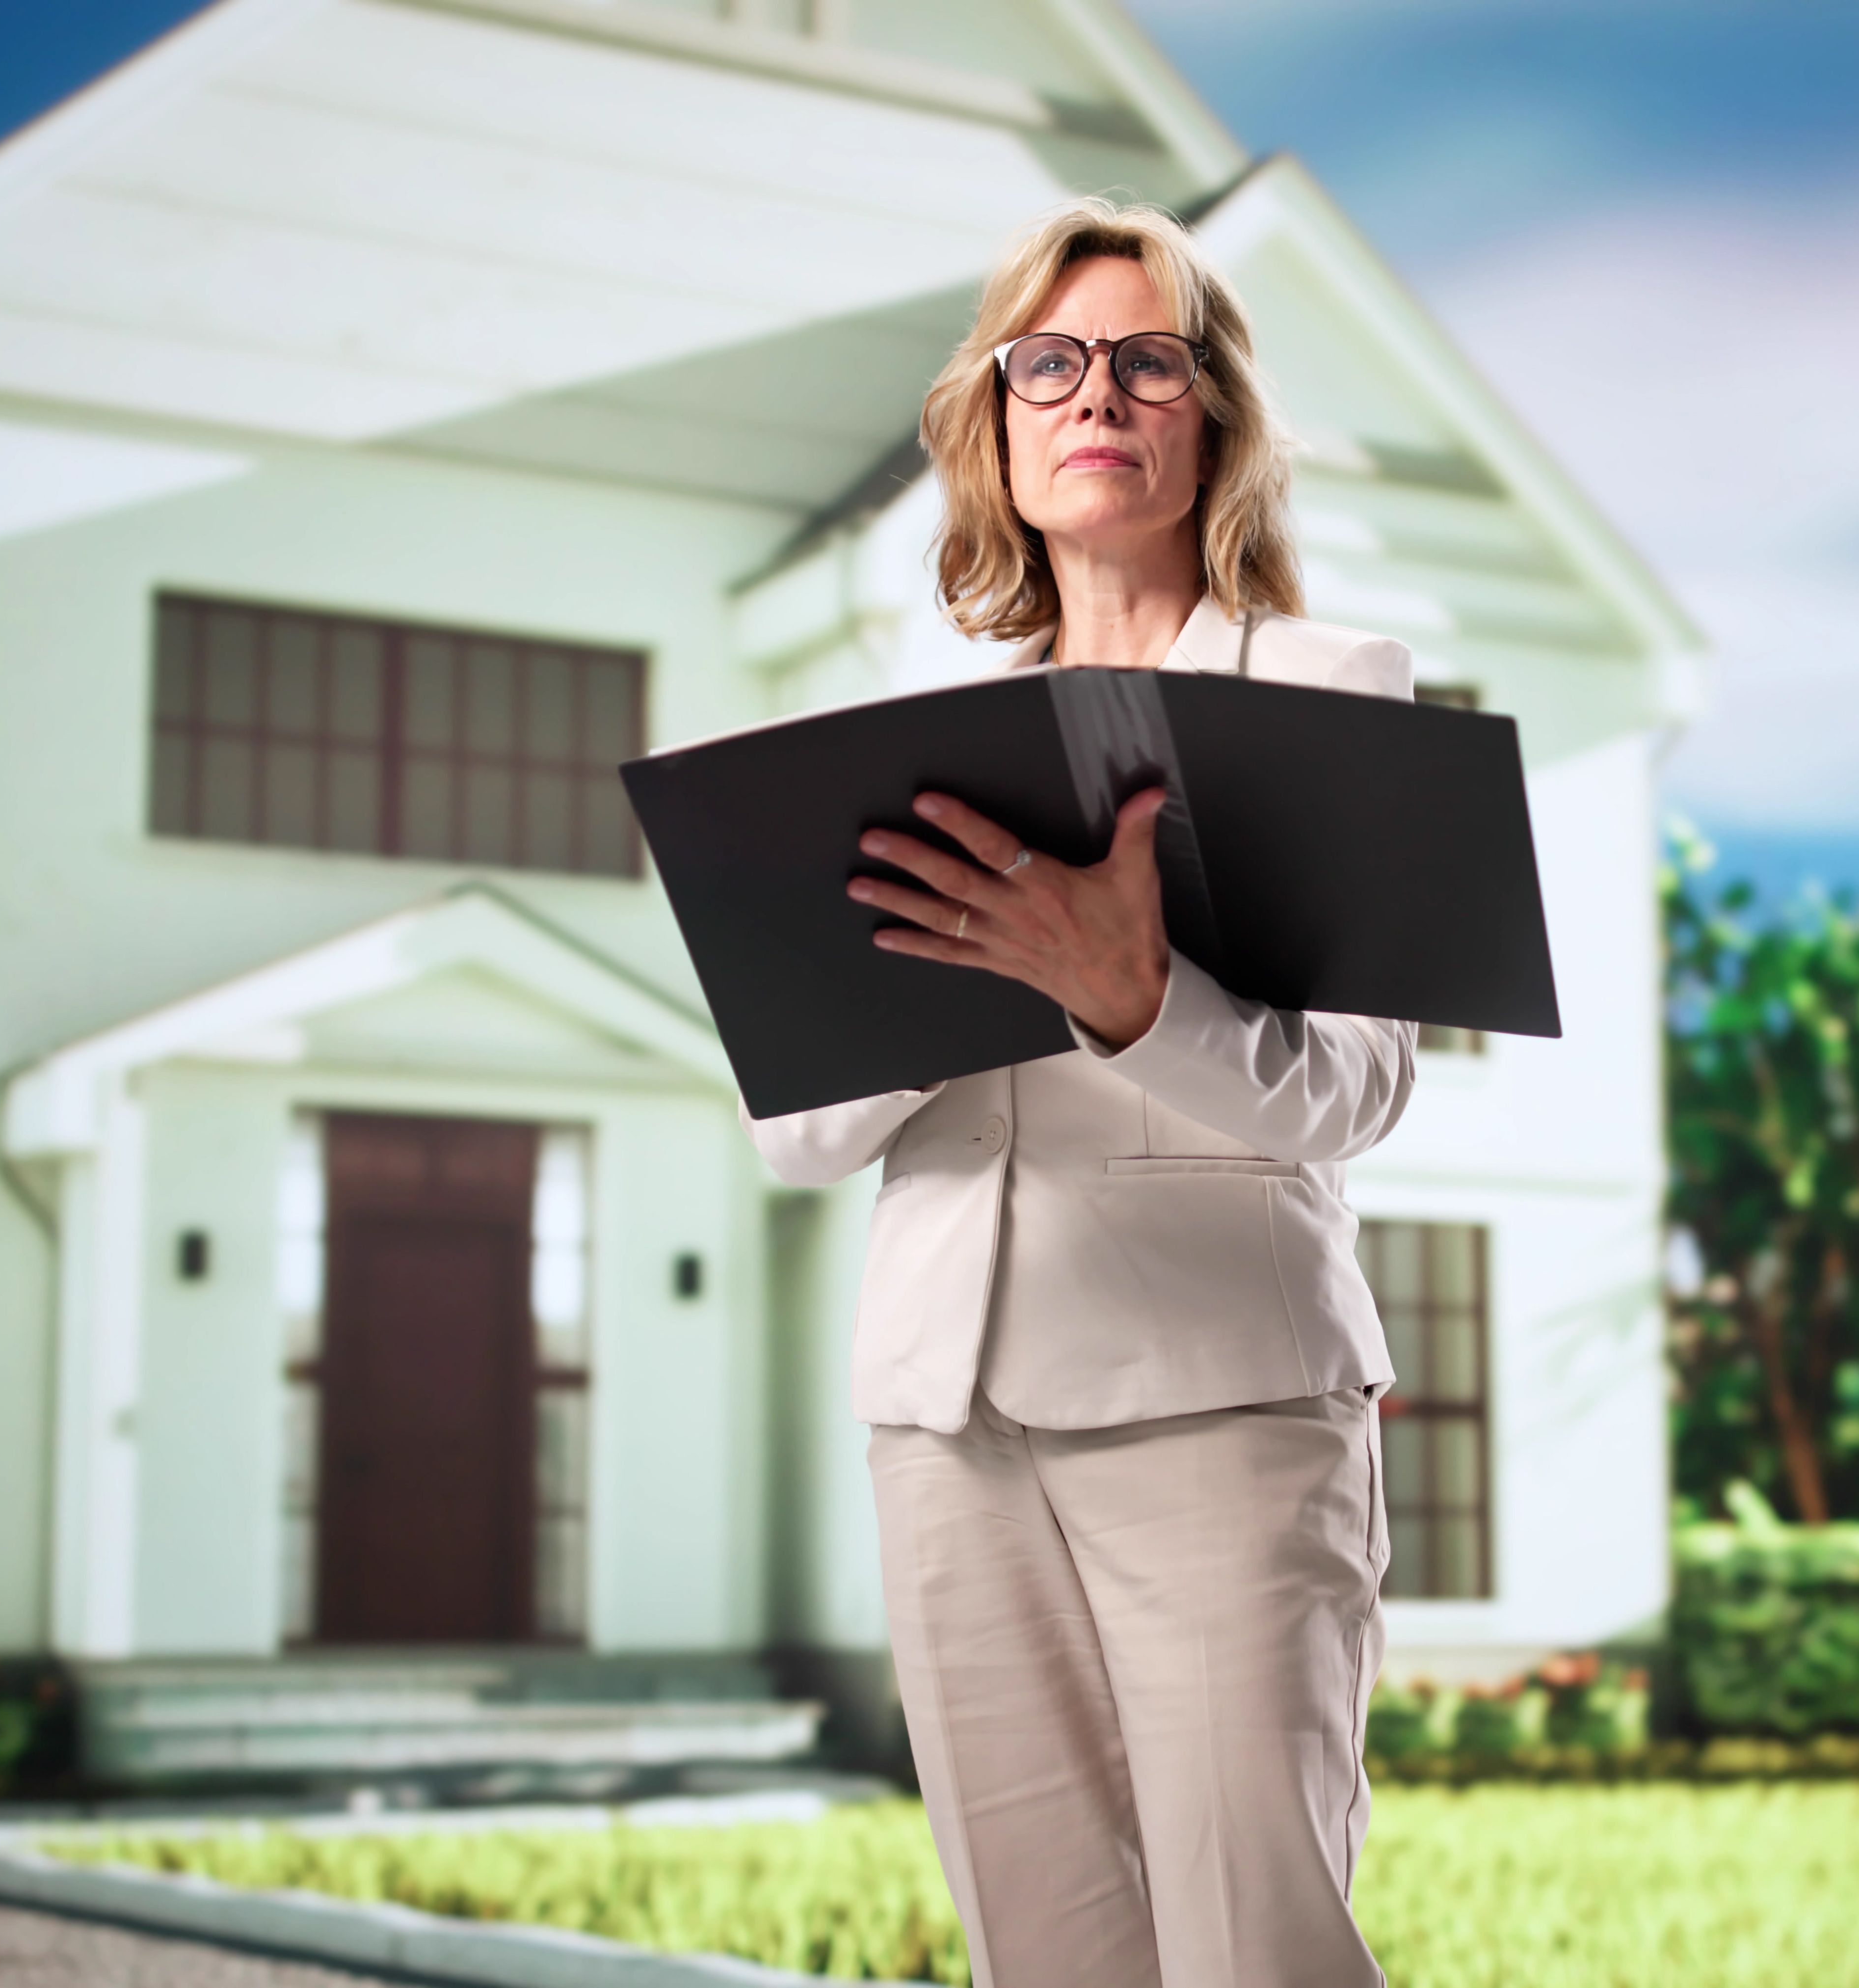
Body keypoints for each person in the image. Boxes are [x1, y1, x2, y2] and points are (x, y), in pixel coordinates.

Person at [747, 197, 1413, 1988]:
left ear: (1213, 417)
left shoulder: (1331, 692)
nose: (1093, 392)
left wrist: (1133, 995)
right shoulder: (901, 738)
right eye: (1050, 361)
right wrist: (975, 960)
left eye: (1145, 359)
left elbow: (1355, 1092)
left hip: (1223, 1397)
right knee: (1043, 1955)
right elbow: (797, 1132)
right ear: (999, 419)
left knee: (1252, 1936)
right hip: (943, 1412)